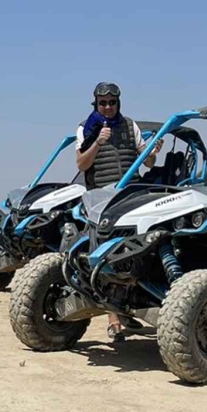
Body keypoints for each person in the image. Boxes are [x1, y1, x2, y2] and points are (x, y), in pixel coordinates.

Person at [75, 81, 155, 340]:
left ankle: (130, 308)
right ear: (96, 104)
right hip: (103, 202)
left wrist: (152, 152)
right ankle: (113, 318)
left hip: (132, 197)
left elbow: (148, 161)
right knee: (106, 258)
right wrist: (97, 143)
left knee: (136, 254)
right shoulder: (86, 128)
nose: (108, 107)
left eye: (112, 103)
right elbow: (81, 164)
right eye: (103, 103)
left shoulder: (130, 126)